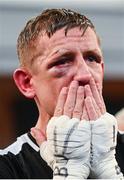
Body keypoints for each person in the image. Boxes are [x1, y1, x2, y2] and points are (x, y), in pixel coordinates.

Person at [0, 8, 124, 179]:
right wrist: (70, 173)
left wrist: (108, 173)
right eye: (63, 61)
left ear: (102, 70)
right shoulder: (8, 167)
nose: (85, 74)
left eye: (92, 59)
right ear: (27, 83)